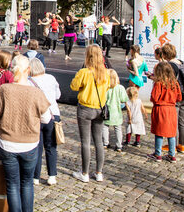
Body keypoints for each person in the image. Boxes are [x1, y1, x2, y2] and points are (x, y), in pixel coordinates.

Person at [0, 55, 51, 212]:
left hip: (7, 143)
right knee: (27, 183)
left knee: (12, 184)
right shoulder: (36, 93)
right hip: (29, 144)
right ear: (28, 70)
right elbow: (46, 119)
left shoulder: (4, 90)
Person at [70, 44, 111, 182]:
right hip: (99, 109)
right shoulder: (106, 73)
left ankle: (85, 173)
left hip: (85, 109)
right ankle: (99, 172)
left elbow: (73, 86)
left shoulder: (84, 72)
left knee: (85, 141)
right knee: (98, 141)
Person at [28, 58, 61, 186]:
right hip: (53, 114)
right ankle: (52, 175)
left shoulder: (29, 81)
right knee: (51, 146)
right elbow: (58, 95)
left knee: (37, 146)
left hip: (37, 116)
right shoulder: (51, 78)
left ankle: (35, 176)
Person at [148, 61, 182, 162]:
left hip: (160, 108)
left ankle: (158, 154)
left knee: (159, 132)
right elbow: (179, 97)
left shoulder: (158, 83)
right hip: (171, 109)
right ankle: (172, 154)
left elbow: (154, 97)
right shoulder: (174, 83)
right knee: (171, 133)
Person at [161, 43, 184, 154]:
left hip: (176, 96)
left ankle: (173, 144)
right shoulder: (182, 62)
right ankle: (182, 145)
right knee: (182, 121)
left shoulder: (170, 65)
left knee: (173, 121)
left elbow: (168, 82)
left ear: (164, 54)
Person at [102, 70, 128, 153]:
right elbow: (124, 99)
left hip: (107, 111)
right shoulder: (120, 88)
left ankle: (105, 143)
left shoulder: (105, 87)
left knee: (105, 127)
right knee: (118, 128)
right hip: (116, 111)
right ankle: (119, 145)